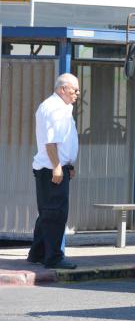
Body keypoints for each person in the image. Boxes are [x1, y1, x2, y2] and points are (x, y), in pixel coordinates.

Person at [27, 73, 80, 269]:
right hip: (51, 168)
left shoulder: (59, 107)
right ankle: (53, 257)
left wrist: (68, 165)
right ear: (62, 89)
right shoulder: (55, 108)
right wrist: (58, 167)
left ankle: (37, 253)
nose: (77, 93)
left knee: (47, 213)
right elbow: (51, 142)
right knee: (55, 214)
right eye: (74, 89)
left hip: (54, 166)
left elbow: (62, 141)